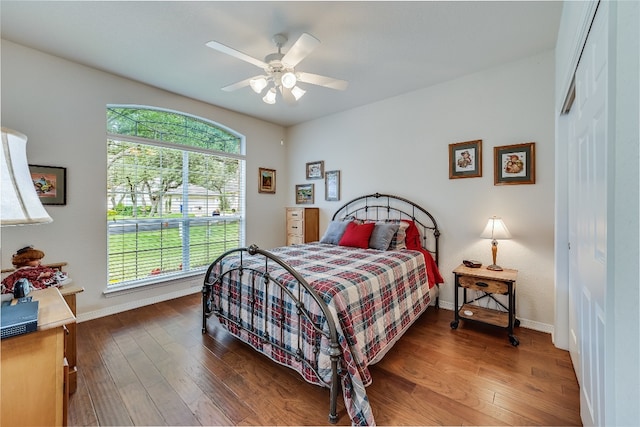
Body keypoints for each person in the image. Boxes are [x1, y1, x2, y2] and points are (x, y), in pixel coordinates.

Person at [1, 246, 67, 294]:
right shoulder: (22, 270)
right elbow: (30, 275)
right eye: (36, 260)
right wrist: (43, 274)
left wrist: (48, 272)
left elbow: (43, 268)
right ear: (26, 261)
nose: (39, 262)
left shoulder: (36, 267)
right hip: (28, 283)